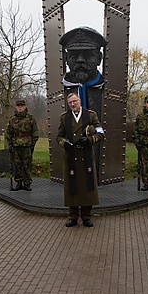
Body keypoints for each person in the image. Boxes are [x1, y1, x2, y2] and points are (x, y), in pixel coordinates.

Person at [56, 93, 105, 227]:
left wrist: (89, 140)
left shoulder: (91, 115)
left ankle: (86, 216)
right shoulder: (64, 117)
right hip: (71, 156)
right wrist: (63, 143)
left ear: (79, 101)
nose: (73, 104)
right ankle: (72, 216)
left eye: (74, 101)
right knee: (72, 185)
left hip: (86, 155)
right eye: (70, 103)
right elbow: (59, 136)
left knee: (87, 185)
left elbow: (101, 133)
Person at [5, 99, 39, 191]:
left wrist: (33, 144)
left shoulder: (30, 118)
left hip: (27, 145)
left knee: (27, 164)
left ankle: (27, 183)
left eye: (22, 106)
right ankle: (19, 182)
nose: (20, 108)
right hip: (16, 145)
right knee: (17, 164)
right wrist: (10, 143)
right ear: (16, 107)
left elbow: (35, 132)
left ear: (25, 107)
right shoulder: (12, 118)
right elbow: (8, 132)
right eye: (18, 106)